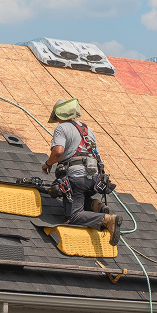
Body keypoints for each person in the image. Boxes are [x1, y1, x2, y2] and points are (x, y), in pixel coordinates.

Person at [42, 98, 122, 246]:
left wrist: (47, 164)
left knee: (74, 215)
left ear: (58, 115)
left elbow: (58, 152)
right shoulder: (88, 130)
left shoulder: (62, 128)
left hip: (76, 176)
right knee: (78, 197)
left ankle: (107, 219)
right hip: (95, 179)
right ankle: (96, 206)